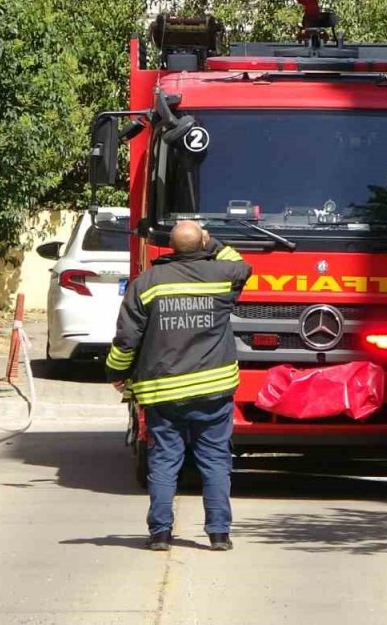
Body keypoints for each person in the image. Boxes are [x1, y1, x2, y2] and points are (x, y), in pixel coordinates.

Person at [107, 221, 253, 551]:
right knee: (215, 461)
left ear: (171, 246)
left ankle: (160, 534)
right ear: (201, 242)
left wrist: (115, 374)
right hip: (213, 390)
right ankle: (219, 534)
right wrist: (210, 241)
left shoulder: (146, 283)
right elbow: (242, 264)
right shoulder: (222, 277)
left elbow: (126, 339)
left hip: (163, 392)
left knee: (163, 462)